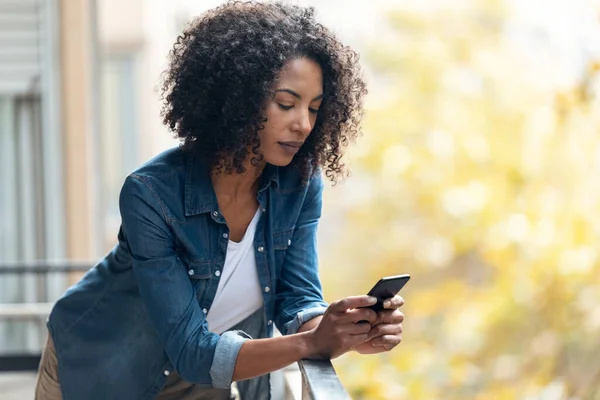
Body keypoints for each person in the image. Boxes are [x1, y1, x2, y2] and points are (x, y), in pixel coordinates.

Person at [34, 1, 405, 399]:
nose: (303, 124)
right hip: (105, 369)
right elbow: (192, 349)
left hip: (207, 373)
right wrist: (311, 344)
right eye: (286, 103)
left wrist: (347, 331)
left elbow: (296, 298)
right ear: (237, 99)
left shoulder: (298, 182)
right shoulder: (151, 194)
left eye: (314, 108)